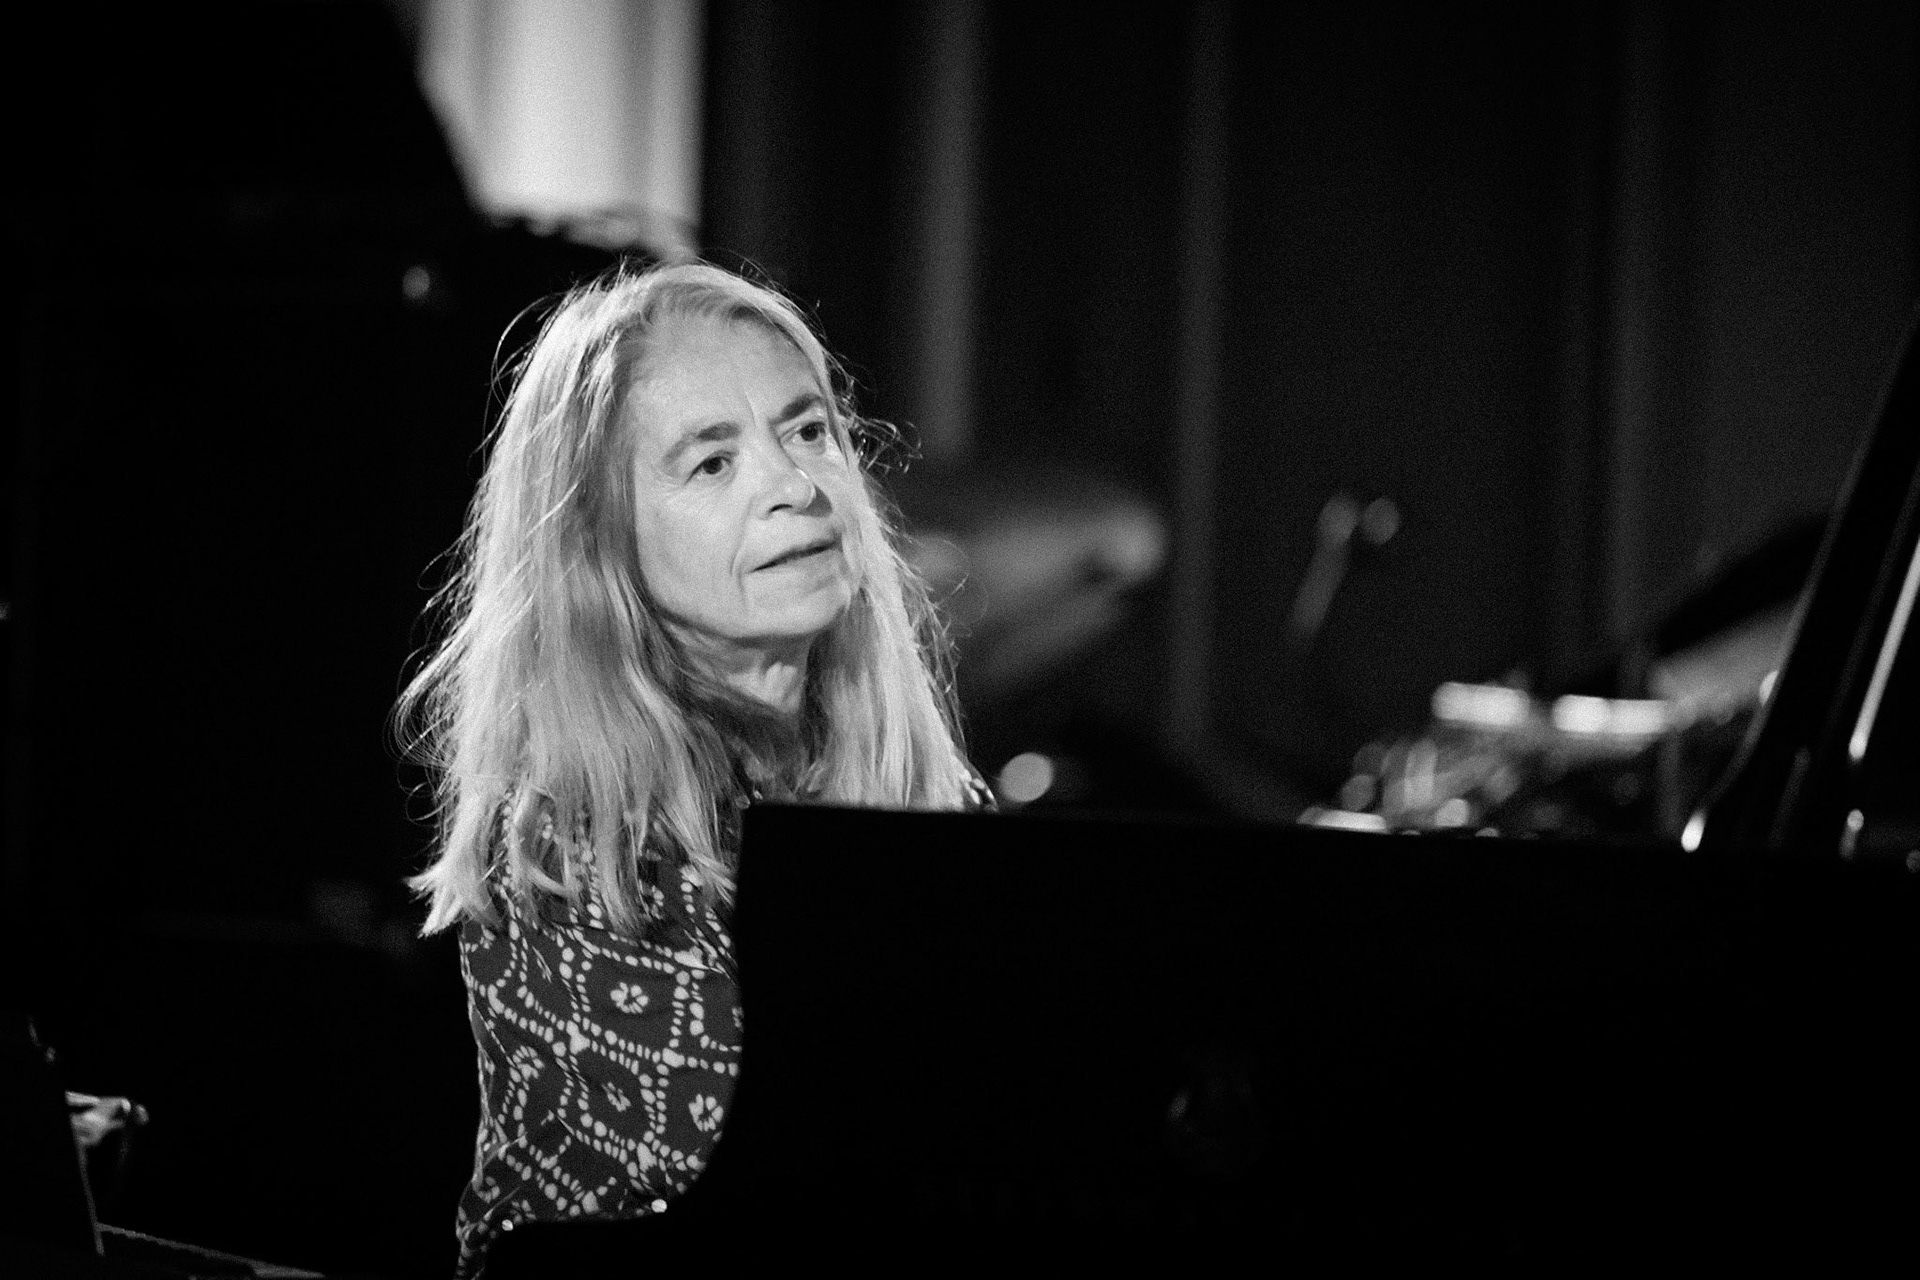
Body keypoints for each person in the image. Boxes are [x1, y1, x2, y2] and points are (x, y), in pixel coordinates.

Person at [397, 261, 988, 1277]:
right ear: (599, 541)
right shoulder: (577, 838)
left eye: (807, 430)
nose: (796, 484)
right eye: (712, 463)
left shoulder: (908, 796)